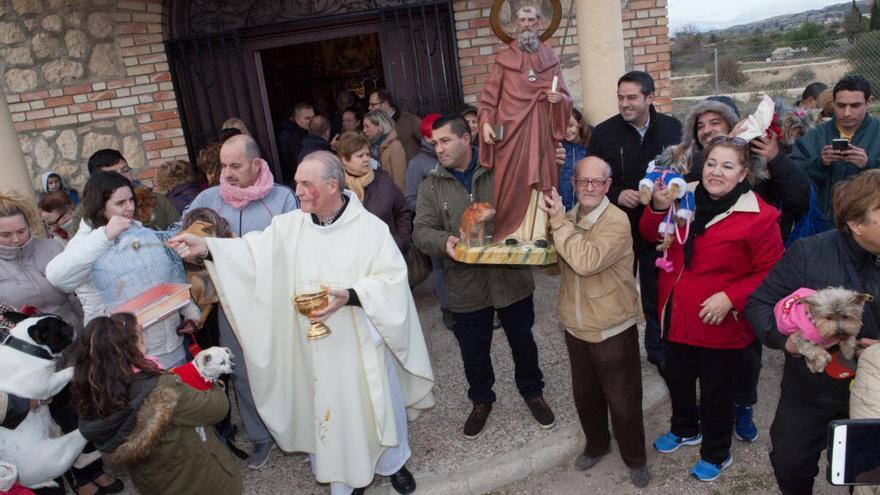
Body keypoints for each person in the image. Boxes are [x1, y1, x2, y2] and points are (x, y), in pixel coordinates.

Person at [168, 151, 434, 495]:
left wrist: (351, 295)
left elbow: (392, 280)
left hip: (360, 338)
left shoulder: (369, 229)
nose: (298, 191)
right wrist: (206, 247)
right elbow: (252, 254)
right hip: (317, 345)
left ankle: (393, 464)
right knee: (334, 411)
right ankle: (346, 477)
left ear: (333, 186)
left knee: (378, 403)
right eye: (296, 183)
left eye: (306, 184)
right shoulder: (289, 226)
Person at [642, 136, 783, 481]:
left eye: (727, 166)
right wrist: (658, 208)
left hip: (720, 321)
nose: (716, 172)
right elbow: (650, 233)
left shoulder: (759, 216)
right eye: (711, 163)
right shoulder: (682, 193)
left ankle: (717, 452)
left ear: (743, 174)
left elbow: (771, 272)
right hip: (676, 312)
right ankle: (686, 428)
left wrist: (732, 298)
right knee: (678, 378)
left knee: (717, 392)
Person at [413, 115, 554, 438]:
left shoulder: (501, 170)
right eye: (435, 143)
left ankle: (533, 392)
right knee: (473, 351)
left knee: (523, 341)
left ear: (467, 138)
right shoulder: (431, 185)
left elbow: (528, 205)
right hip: (464, 284)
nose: (439, 149)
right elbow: (421, 231)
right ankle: (481, 400)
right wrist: (444, 241)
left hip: (511, 280)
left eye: (445, 141)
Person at [745, 169, 880, 494]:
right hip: (810, 390)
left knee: (866, 475)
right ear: (855, 224)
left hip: (875, 393)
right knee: (789, 462)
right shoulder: (808, 252)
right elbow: (759, 304)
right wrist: (785, 340)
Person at [177, 133, 297, 469]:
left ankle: (299, 426)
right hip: (231, 308)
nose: (226, 173)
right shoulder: (208, 199)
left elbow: (293, 248)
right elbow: (184, 235)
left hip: (276, 303)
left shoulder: (283, 199)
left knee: (285, 367)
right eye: (222, 166)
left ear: (256, 165)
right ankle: (260, 437)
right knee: (241, 371)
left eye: (235, 166)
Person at [539, 156, 650, 488]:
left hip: (611, 325)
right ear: (572, 185)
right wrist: (545, 246)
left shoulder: (616, 221)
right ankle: (597, 444)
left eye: (596, 182)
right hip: (575, 324)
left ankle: (636, 458)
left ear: (607, 185)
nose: (589, 188)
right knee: (585, 394)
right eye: (582, 181)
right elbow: (554, 268)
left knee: (623, 397)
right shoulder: (569, 217)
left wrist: (559, 226)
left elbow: (586, 262)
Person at [73, 313, 241, 495]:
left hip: (154, 482)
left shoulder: (94, 393)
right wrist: (211, 378)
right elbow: (217, 409)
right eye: (139, 333)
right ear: (128, 347)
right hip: (196, 477)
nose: (144, 336)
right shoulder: (161, 389)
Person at [46, 172, 199, 369]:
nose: (130, 208)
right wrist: (105, 236)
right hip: (123, 355)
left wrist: (189, 310)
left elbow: (167, 276)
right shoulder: (86, 242)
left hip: (171, 345)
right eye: (120, 203)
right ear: (100, 207)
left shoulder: (145, 232)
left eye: (131, 200)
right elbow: (57, 277)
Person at [586, 70, 682, 374]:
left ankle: (658, 350)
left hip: (659, 231)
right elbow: (592, 179)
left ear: (650, 98)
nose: (624, 103)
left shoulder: (672, 129)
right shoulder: (603, 134)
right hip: (619, 229)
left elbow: (683, 171)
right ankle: (620, 354)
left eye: (631, 97)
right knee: (616, 294)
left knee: (655, 294)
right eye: (620, 97)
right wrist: (615, 193)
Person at [477, 4, 572, 246]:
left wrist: (558, 99)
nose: (527, 25)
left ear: (540, 23)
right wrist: (486, 122)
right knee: (510, 180)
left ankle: (539, 231)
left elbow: (565, 95)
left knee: (542, 177)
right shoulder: (504, 60)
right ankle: (512, 232)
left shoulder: (550, 58)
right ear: (515, 25)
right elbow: (488, 98)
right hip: (510, 133)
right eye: (522, 20)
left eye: (531, 20)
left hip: (541, 130)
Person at [791, 75, 880, 221]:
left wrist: (869, 165)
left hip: (870, 225)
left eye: (855, 106)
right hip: (823, 225)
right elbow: (793, 174)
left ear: (869, 102)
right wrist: (820, 163)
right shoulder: (814, 135)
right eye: (841, 105)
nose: (847, 113)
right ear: (833, 103)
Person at [0, 190, 83, 334]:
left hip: (75, 336)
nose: (16, 239)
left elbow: (79, 295)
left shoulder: (52, 248)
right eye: (5, 235)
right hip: (29, 349)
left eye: (21, 231)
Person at [68, 149, 180, 235]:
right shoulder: (86, 212)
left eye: (125, 170)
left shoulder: (156, 200)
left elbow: (180, 231)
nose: (122, 178)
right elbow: (80, 253)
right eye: (112, 174)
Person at [337, 132, 412, 254]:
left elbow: (402, 211)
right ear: (345, 160)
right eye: (360, 156)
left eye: (367, 154)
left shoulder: (383, 180)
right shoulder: (337, 187)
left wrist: (400, 243)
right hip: (352, 257)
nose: (366, 159)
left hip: (387, 253)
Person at [369, 90, 422, 162]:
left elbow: (426, 143)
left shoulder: (410, 120)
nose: (369, 108)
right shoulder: (372, 124)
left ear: (384, 104)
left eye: (373, 105)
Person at [363, 109, 407, 192]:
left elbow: (399, 180)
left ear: (379, 126)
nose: (364, 130)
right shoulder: (371, 147)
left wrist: (397, 203)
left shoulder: (395, 146)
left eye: (367, 126)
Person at [559, 108, 589, 211]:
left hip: (585, 207)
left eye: (570, 125)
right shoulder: (558, 146)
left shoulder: (592, 144)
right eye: (562, 127)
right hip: (562, 207)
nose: (566, 131)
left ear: (580, 123)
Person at [276, 102, 315, 184]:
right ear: (297, 119)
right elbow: (296, 163)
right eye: (307, 118)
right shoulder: (291, 138)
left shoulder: (310, 132)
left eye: (313, 117)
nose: (312, 121)